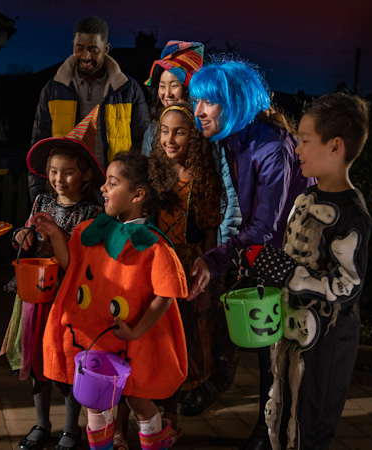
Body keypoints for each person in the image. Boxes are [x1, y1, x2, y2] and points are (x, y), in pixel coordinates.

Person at [186, 58, 314, 450]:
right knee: (267, 352)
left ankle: (272, 434)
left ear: (236, 101)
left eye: (209, 102)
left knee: (277, 355)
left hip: (292, 261)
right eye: (197, 101)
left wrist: (213, 259)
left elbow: (265, 226)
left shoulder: (271, 146)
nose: (199, 111)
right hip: (266, 258)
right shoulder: (235, 140)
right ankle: (268, 431)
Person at [235, 92, 371, 449]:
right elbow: (291, 259)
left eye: (306, 141)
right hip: (290, 337)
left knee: (309, 428)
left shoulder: (352, 213)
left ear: (336, 146)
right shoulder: (305, 198)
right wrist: (259, 264)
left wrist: (293, 275)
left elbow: (348, 284)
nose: (297, 149)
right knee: (278, 419)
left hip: (326, 346)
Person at [36, 151, 186, 450]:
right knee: (96, 401)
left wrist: (135, 331)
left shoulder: (154, 247)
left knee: (138, 399)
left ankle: (155, 442)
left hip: (135, 341)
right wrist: (54, 234)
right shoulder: (91, 231)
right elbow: (73, 265)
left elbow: (166, 296)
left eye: (112, 183)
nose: (103, 188)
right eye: (105, 182)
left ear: (137, 195)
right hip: (99, 337)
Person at [0, 107, 104, 450]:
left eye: (69, 173)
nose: (60, 179)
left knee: (67, 365)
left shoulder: (91, 214)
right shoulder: (42, 200)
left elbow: (75, 263)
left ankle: (71, 429)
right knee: (39, 364)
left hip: (69, 301)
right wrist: (22, 236)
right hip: (37, 298)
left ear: (86, 175)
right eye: (54, 171)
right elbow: (28, 235)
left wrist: (57, 234)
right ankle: (42, 424)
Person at [140, 102, 224, 446]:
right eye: (164, 130)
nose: (170, 138)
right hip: (150, 267)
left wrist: (204, 285)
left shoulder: (204, 179)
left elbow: (208, 235)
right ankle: (143, 417)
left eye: (180, 131)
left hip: (186, 267)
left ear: (193, 137)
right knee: (149, 342)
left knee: (180, 344)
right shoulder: (149, 175)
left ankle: (170, 420)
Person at [29, 16, 150, 201]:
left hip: (114, 195)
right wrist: (39, 197)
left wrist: (139, 195)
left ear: (106, 49)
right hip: (67, 194)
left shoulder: (127, 89)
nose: (86, 56)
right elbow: (39, 147)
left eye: (93, 50)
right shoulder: (53, 88)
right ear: (73, 45)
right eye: (80, 48)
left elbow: (143, 146)